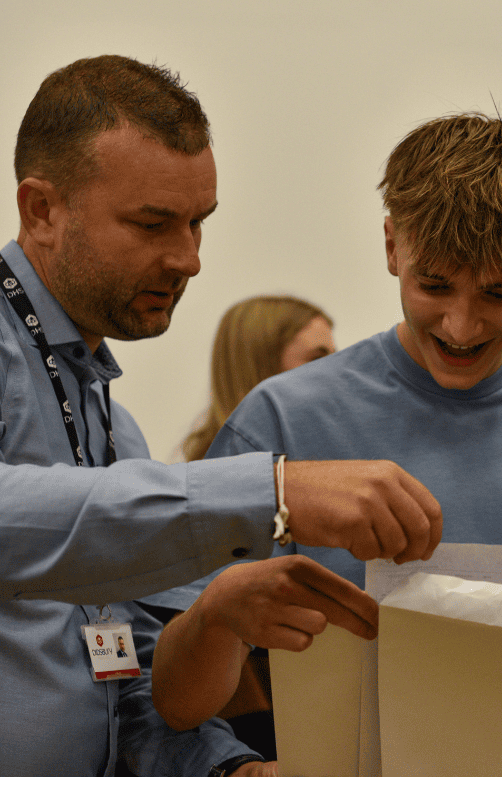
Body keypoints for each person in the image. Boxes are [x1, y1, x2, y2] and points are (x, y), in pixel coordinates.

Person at [152, 110, 502, 775]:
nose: (460, 324)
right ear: (392, 246)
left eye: (500, 292)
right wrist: (219, 616)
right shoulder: (278, 423)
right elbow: (172, 699)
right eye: (433, 286)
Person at [2, 54, 441, 776]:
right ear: (41, 210)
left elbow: (129, 684)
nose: (189, 258)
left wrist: (226, 768)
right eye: (152, 224)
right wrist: (269, 492)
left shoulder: (117, 429)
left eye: (198, 224)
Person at [147, 294, 337, 761]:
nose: (339, 378)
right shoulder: (192, 500)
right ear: (262, 369)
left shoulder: (322, 484)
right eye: (319, 359)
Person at [181, 295, 336, 462]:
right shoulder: (216, 478)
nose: (336, 373)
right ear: (260, 367)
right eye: (317, 359)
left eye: (337, 359)